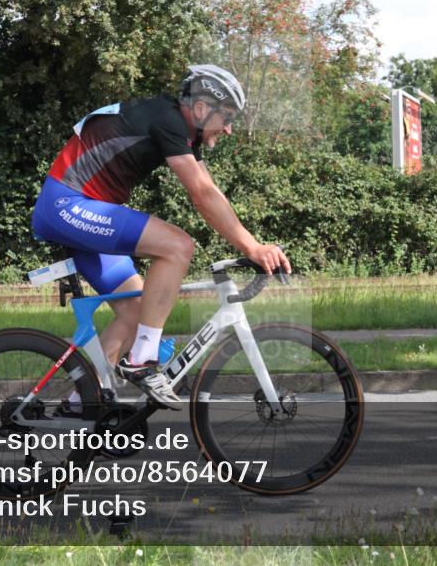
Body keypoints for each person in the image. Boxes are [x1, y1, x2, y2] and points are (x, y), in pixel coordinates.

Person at [32, 64, 291, 410]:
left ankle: (83, 403)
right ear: (201, 108)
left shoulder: (177, 128)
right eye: (226, 116)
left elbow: (211, 191)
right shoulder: (167, 119)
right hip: (67, 204)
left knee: (138, 310)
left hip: (83, 209)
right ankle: (141, 360)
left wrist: (253, 243)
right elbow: (200, 194)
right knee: (177, 246)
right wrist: (251, 247)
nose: (228, 128)